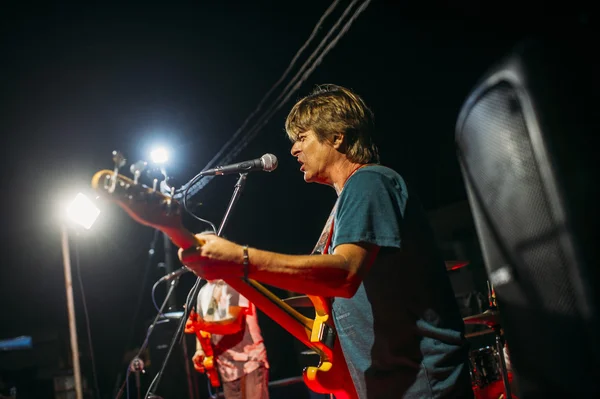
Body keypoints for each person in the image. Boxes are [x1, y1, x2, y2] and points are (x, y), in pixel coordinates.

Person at [178, 84, 473, 398]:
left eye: (302, 137)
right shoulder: (344, 205)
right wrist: (229, 269)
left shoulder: (370, 182)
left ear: (337, 136)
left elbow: (344, 275)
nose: (293, 149)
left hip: (422, 387)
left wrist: (240, 259)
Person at [186, 279, 270, 399]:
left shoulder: (235, 283)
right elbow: (204, 326)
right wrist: (200, 350)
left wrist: (198, 325)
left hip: (250, 362)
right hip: (226, 369)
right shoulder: (203, 292)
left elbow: (233, 325)